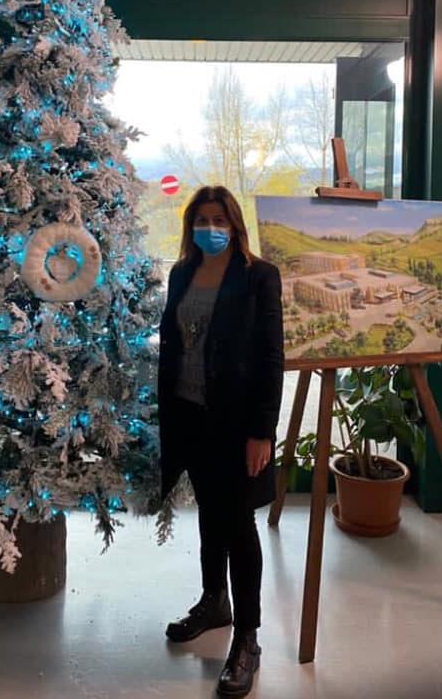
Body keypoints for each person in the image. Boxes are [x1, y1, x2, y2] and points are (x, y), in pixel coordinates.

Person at [157, 185, 284, 698]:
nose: (210, 228)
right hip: (189, 415)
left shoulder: (258, 276)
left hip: (236, 423)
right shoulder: (182, 273)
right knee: (210, 514)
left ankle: (248, 638)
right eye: (201, 219)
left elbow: (272, 357)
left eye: (219, 219)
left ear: (234, 224)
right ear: (191, 226)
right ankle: (215, 603)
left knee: (238, 523)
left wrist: (262, 431)